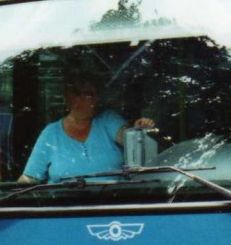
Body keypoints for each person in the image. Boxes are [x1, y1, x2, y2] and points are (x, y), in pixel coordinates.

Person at [20, 70, 153, 183]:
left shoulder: (107, 120)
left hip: (112, 205)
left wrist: (138, 129)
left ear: (97, 98)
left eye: (89, 94)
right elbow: (30, 177)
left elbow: (127, 137)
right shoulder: (51, 133)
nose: (82, 100)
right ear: (67, 97)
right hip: (62, 208)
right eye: (77, 94)